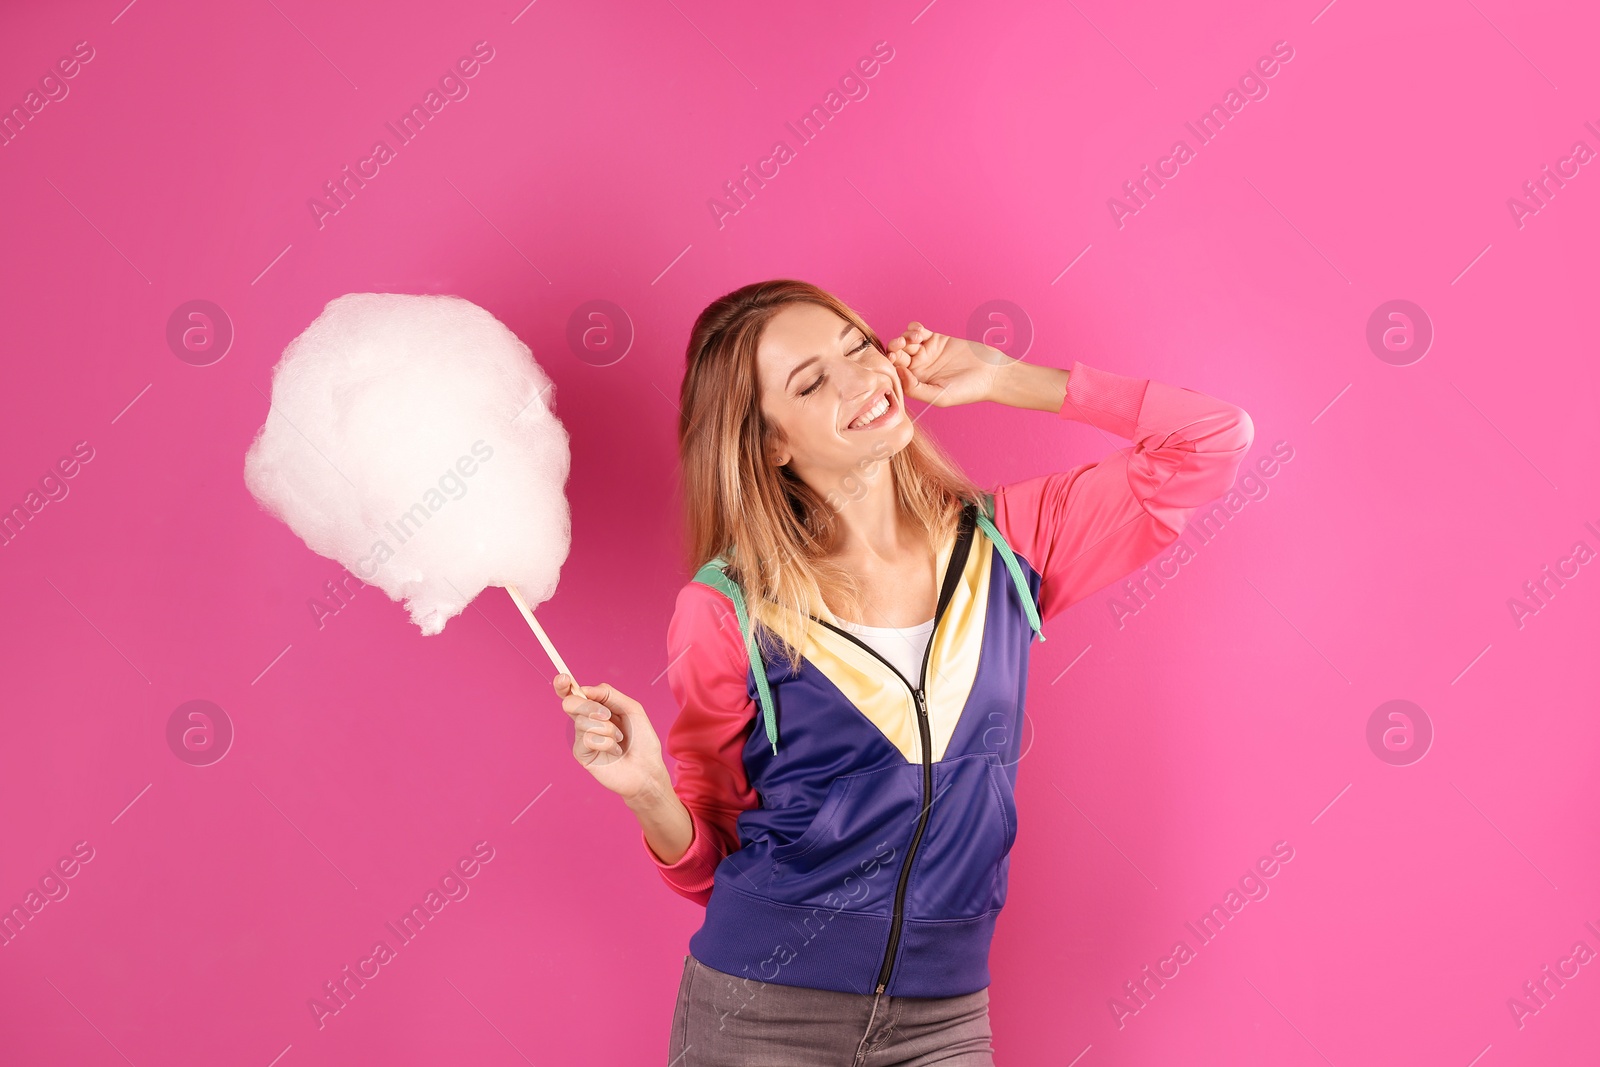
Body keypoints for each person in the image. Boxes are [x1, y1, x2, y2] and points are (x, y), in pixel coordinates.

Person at [552, 279, 1253, 1066]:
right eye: (811, 382)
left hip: (945, 1018)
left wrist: (1002, 377)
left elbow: (1214, 439)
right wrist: (648, 788)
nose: (859, 379)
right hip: (760, 1015)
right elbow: (710, 861)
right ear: (771, 443)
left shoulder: (1012, 546)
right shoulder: (727, 610)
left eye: (858, 347)